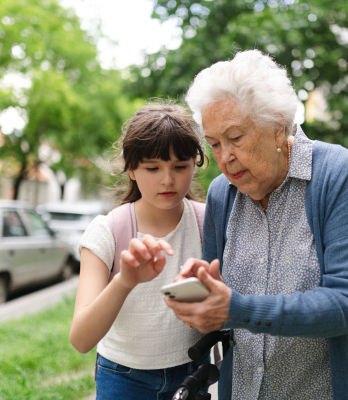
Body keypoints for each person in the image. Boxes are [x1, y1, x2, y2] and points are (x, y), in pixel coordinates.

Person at [164, 50, 348, 400]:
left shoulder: (337, 173)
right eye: (214, 144)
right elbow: (220, 299)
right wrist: (202, 294)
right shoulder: (222, 193)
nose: (225, 158)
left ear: (278, 128)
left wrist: (237, 309)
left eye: (236, 138)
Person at [69, 103, 210, 400]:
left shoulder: (208, 221)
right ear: (131, 169)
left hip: (193, 372)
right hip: (123, 378)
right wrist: (124, 281)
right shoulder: (107, 231)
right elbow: (81, 339)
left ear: (194, 165)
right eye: (152, 168)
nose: (168, 180)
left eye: (180, 166)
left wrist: (201, 295)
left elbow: (223, 310)